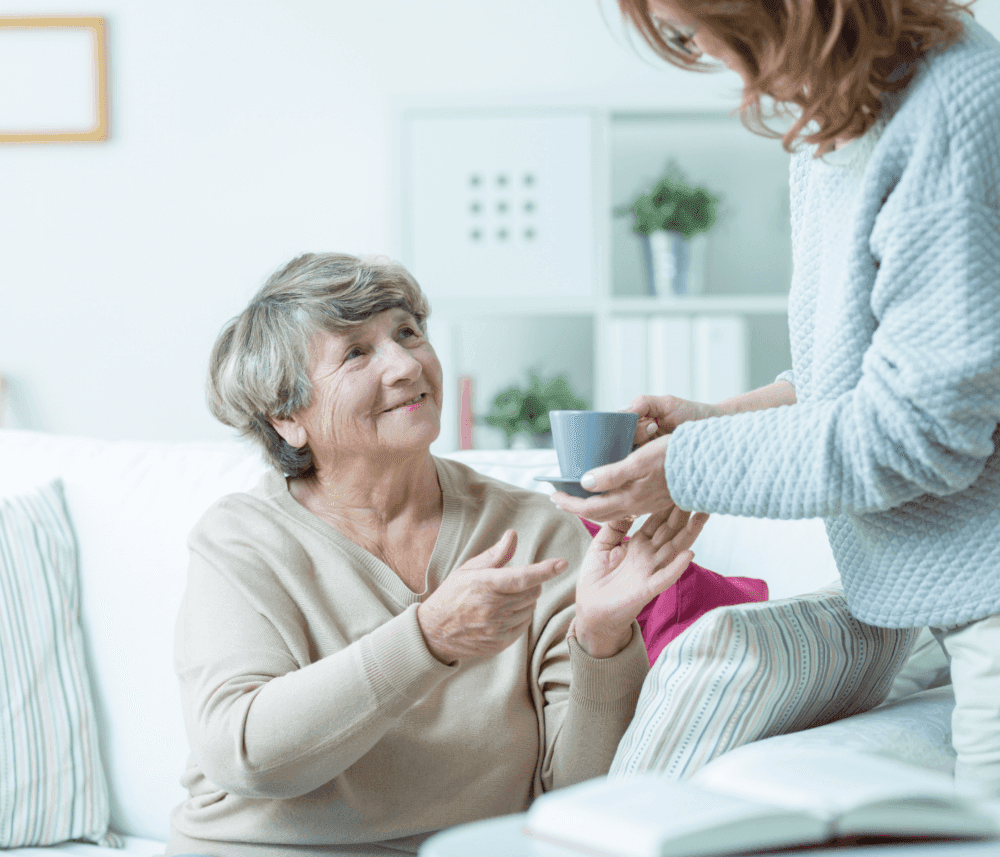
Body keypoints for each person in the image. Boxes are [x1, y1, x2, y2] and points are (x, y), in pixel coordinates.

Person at [552, 0, 1000, 796]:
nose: (715, 64)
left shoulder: (953, 103)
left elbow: (923, 428)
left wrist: (687, 465)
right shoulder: (837, 119)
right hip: (946, 602)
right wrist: (720, 420)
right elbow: (858, 382)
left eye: (694, 33)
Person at [166, 252, 707, 857]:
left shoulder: (533, 531)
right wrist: (427, 639)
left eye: (408, 332)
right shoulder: (242, 541)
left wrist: (603, 638)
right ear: (288, 418)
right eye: (355, 352)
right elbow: (244, 754)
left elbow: (575, 801)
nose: (404, 365)